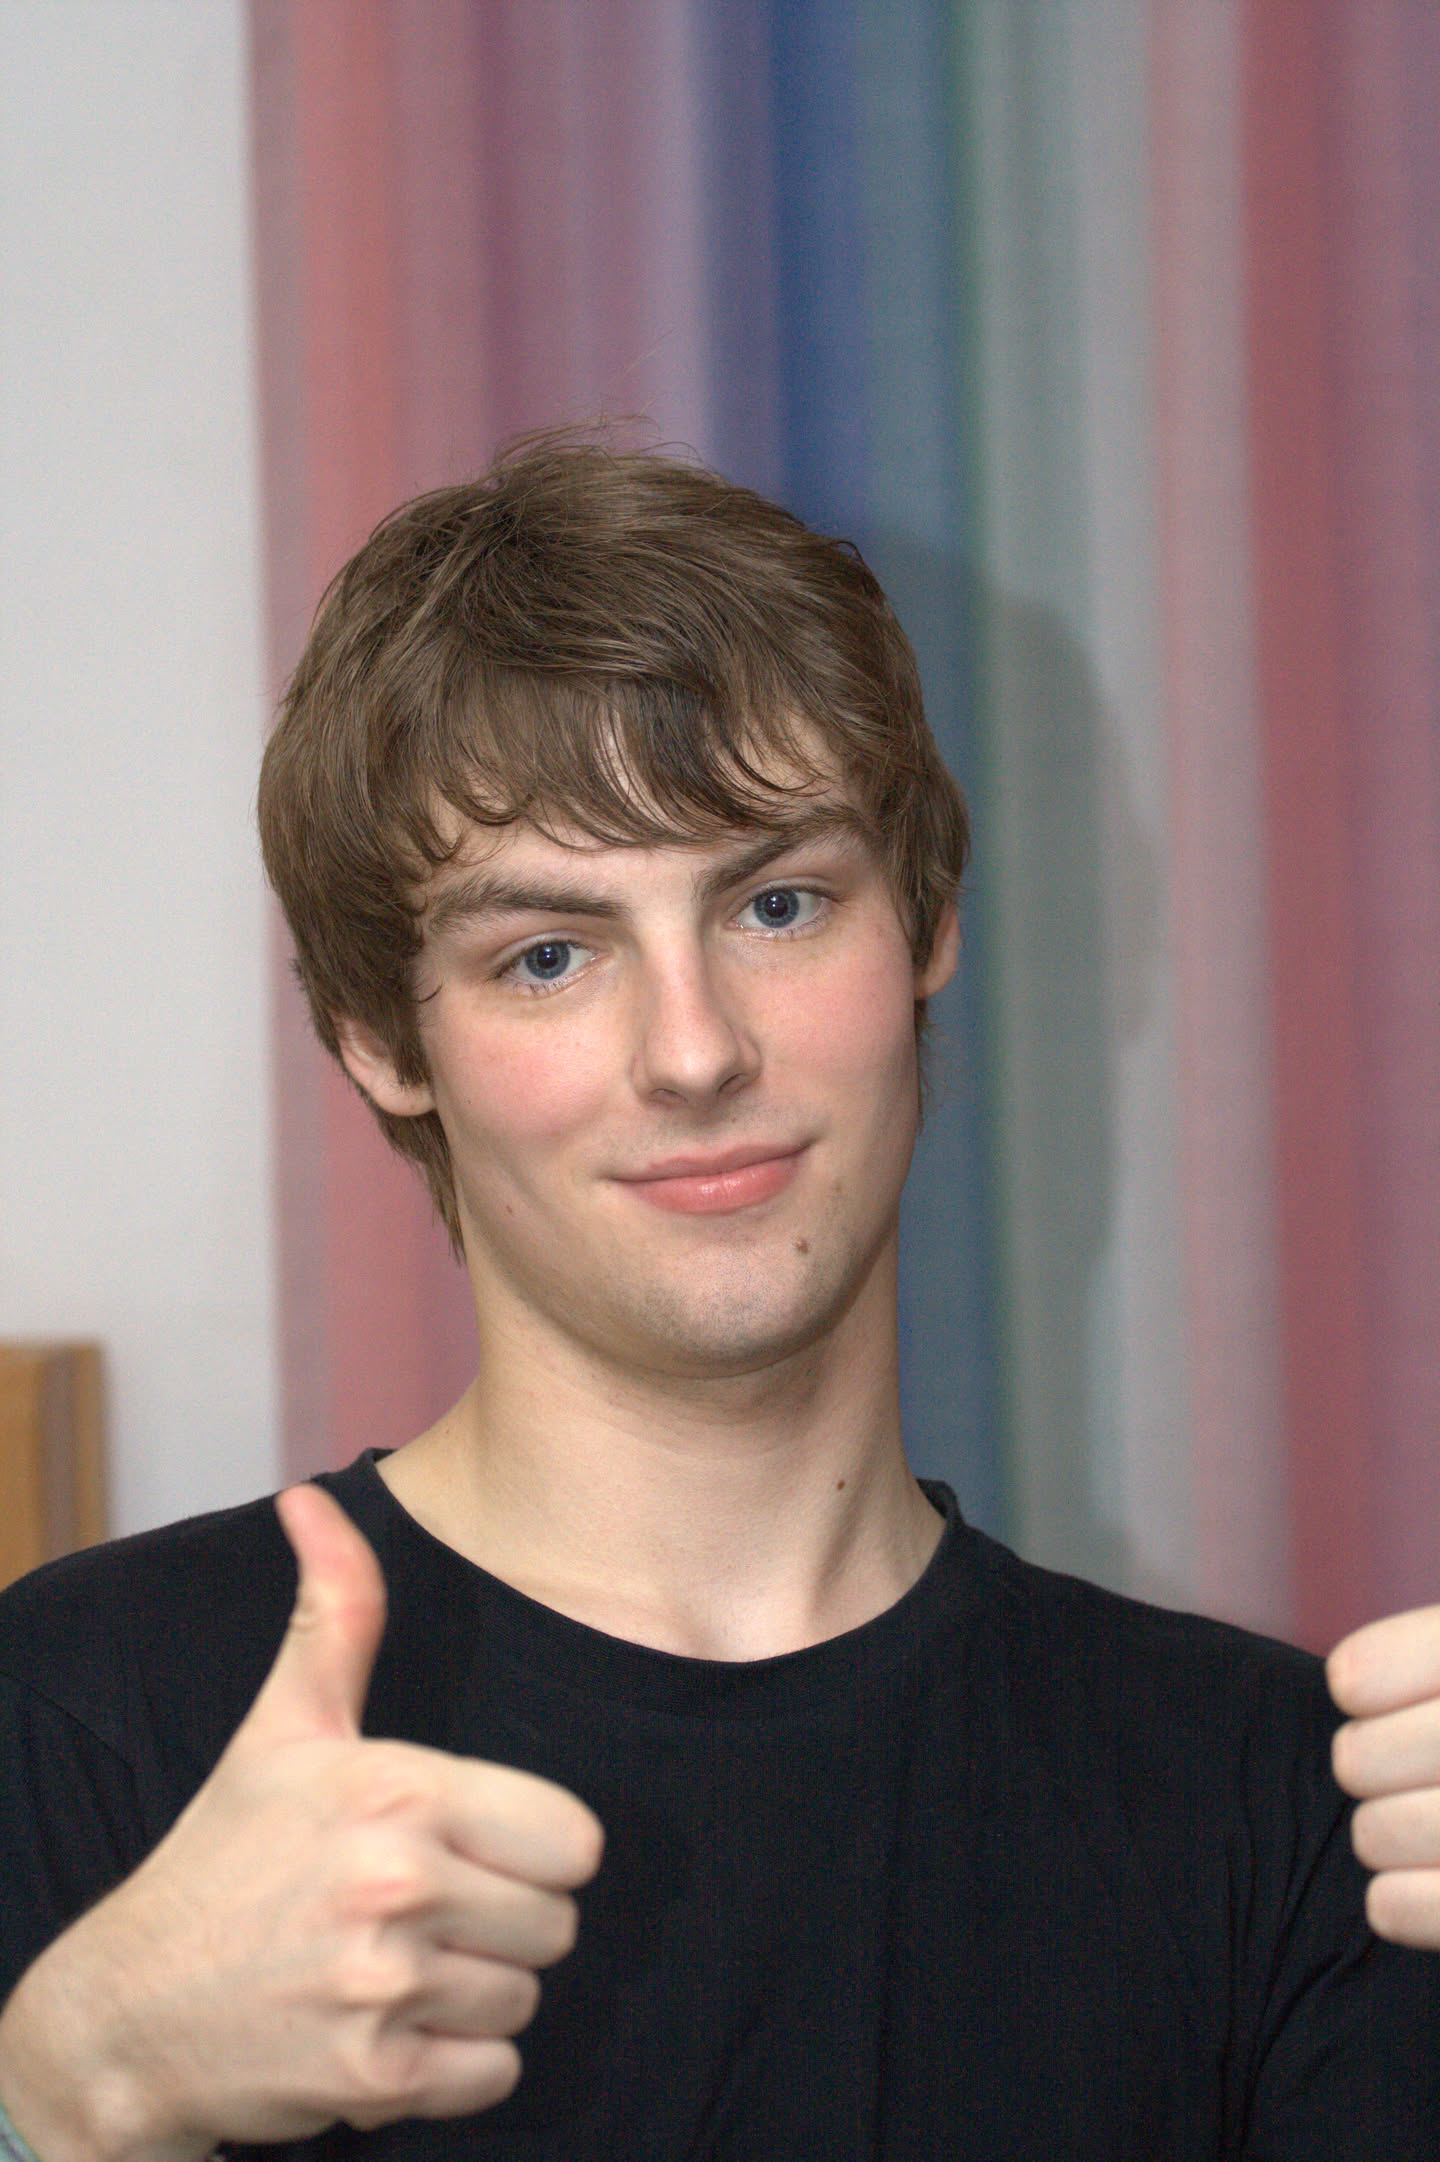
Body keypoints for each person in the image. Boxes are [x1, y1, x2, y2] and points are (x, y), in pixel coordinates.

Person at [0, 437, 1436, 2161]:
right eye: (548, 953)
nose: (694, 1051)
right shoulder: (87, 1714)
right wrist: (71, 2095)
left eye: (776, 903)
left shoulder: (1289, 1796)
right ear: (381, 1036)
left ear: (925, 925)